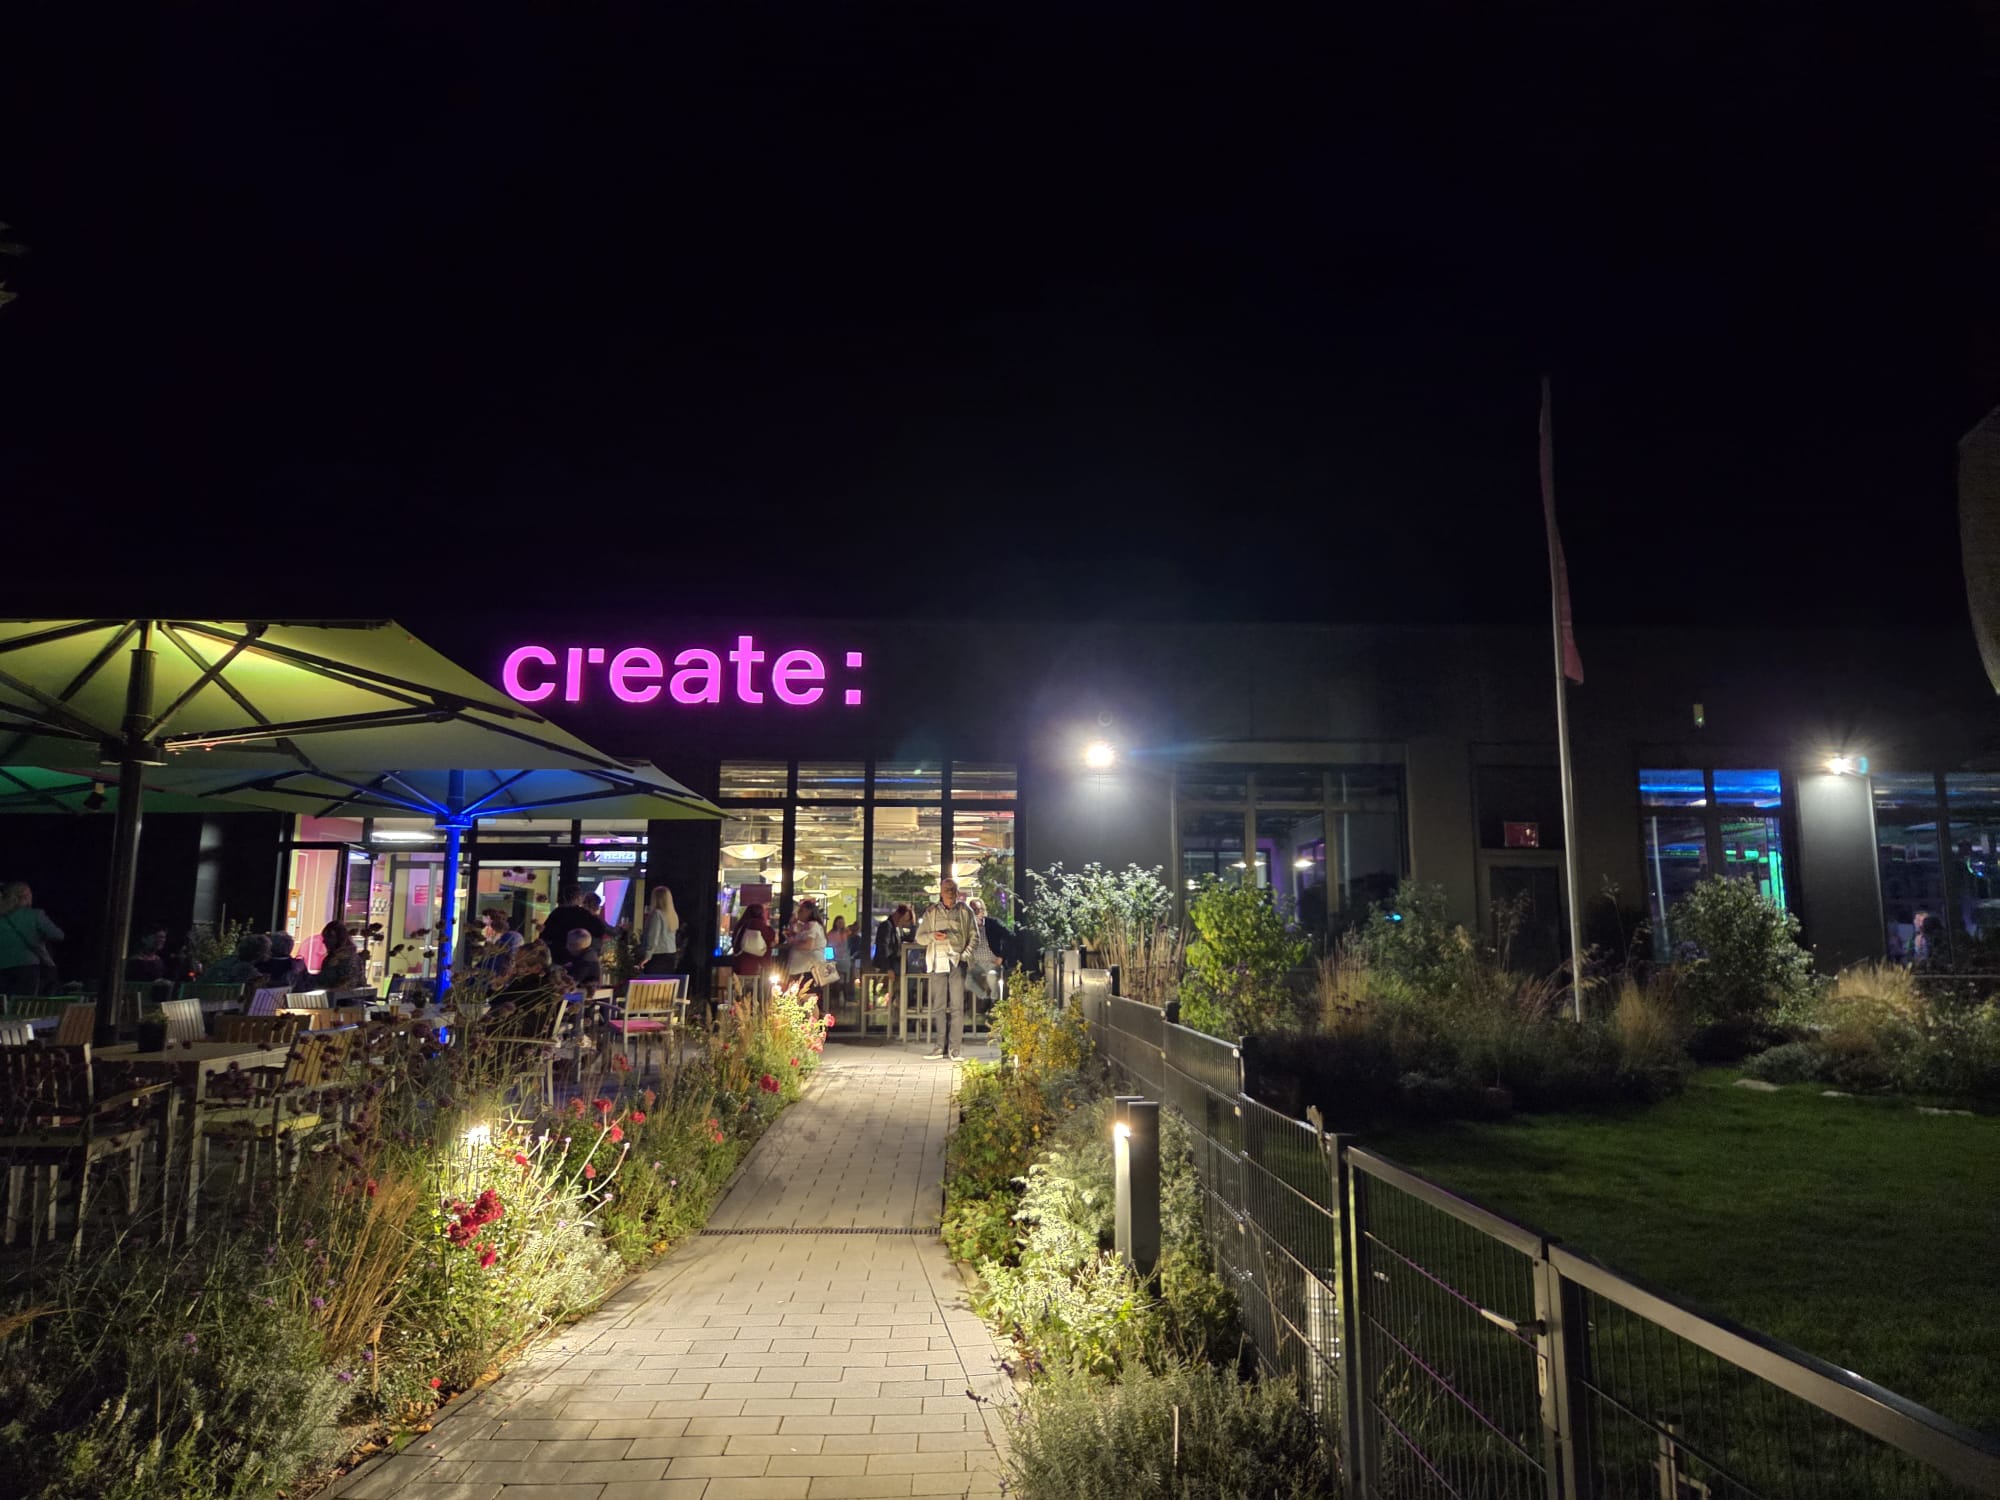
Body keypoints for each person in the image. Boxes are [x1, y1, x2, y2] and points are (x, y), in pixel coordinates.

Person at [916, 878, 976, 1061]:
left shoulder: (965, 911)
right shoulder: (931, 912)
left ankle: (955, 1049)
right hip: (938, 962)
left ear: (957, 892)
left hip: (957, 961)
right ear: (941, 892)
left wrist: (965, 955)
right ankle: (939, 1047)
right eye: (947, 889)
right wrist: (933, 936)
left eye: (953, 889)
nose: (950, 892)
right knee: (939, 1006)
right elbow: (919, 937)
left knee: (957, 1006)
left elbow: (974, 936)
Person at [0, 881, 62, 996]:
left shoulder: (2, 917)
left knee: (4, 1002)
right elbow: (58, 935)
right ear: (27, 896)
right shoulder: (35, 915)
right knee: (24, 1002)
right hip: (27, 966)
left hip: (3, 967)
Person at [539, 883, 610, 965]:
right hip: (577, 957)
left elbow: (545, 934)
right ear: (578, 897)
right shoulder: (584, 914)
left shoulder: (556, 913)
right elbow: (600, 930)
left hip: (556, 955)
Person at [730, 902, 778, 1006]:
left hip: (740, 965)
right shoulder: (758, 924)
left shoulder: (741, 924)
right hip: (756, 967)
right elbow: (771, 937)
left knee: (740, 995)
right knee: (757, 996)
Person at [964, 896, 1004, 1010]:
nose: (977, 912)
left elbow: (1006, 938)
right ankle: (984, 998)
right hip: (977, 964)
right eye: (973, 910)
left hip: (992, 962)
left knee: (991, 976)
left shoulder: (992, 925)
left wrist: (1001, 956)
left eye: (978, 909)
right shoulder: (968, 927)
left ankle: (994, 1000)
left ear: (983, 910)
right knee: (967, 982)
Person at [307, 921, 364, 991]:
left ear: (337, 938)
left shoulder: (348, 959)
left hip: (339, 997)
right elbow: (322, 980)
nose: (324, 941)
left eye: (327, 937)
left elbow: (345, 987)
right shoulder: (330, 958)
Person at [205, 931, 272, 986]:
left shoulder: (226, 960)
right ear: (259, 953)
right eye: (268, 950)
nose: (270, 953)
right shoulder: (246, 970)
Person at [640, 886, 680, 976]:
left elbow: (653, 938)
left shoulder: (657, 914)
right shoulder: (672, 915)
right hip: (670, 955)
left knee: (652, 982)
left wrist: (647, 956)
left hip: (657, 956)